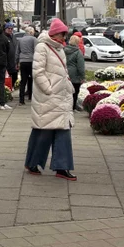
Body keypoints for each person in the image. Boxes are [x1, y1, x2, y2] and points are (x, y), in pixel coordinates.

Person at [25, 18, 77, 181]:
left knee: (62, 130)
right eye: (63, 34)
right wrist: (49, 89)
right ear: (56, 34)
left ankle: (61, 167)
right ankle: (34, 163)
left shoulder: (60, 49)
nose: (65, 37)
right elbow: (38, 72)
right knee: (43, 131)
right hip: (48, 97)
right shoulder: (42, 47)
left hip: (61, 97)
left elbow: (62, 71)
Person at [17, 26, 37, 104]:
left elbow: (17, 51)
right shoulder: (34, 39)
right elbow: (36, 50)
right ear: (31, 32)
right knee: (32, 79)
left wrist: (17, 62)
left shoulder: (20, 40)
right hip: (31, 61)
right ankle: (31, 96)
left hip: (23, 61)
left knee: (23, 80)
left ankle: (21, 99)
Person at [66, 34, 86, 110]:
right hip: (75, 76)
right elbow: (81, 66)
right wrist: (82, 77)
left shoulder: (63, 50)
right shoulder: (78, 52)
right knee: (75, 92)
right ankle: (72, 107)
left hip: (65, 73)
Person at [5, 23, 19, 93]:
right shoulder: (4, 37)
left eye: (11, 29)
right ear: (5, 29)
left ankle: (11, 86)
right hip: (7, 60)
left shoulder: (14, 37)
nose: (10, 30)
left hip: (14, 60)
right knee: (8, 76)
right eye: (8, 28)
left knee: (15, 76)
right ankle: (7, 89)